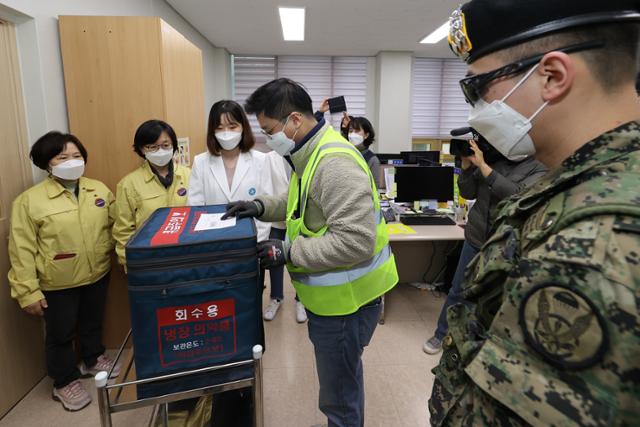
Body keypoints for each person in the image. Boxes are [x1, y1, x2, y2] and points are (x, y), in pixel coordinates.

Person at [429, 1, 640, 425]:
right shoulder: (578, 184)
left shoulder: (595, 241)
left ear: (552, 77)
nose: (475, 110)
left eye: (477, 88)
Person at [223, 78, 399, 427]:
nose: (269, 139)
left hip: (348, 304)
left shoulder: (333, 162)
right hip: (334, 302)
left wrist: (287, 252)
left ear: (294, 121)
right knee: (344, 379)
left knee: (339, 397)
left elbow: (355, 241)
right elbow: (298, 206)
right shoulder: (308, 154)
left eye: (270, 130)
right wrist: (259, 206)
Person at [7, 131, 120, 412]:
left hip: (97, 272)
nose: (72, 161)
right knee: (60, 333)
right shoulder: (29, 201)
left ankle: (93, 358)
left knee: (93, 321)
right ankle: (64, 380)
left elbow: (116, 224)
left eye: (77, 156)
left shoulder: (98, 189)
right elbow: (21, 249)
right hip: (57, 281)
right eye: (63, 157)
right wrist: (27, 290)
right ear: (47, 163)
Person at [423, 132, 547, 354]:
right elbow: (468, 192)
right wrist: (467, 165)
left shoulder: (538, 170)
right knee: (457, 289)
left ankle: (476, 341)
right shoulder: (491, 160)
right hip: (476, 237)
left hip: (505, 244)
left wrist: (484, 167)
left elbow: (517, 196)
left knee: (493, 296)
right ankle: (441, 334)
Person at [188, 100, 271, 242]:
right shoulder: (200, 162)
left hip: (250, 240)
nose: (226, 133)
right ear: (212, 131)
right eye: (219, 128)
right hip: (213, 242)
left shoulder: (261, 160)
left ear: (243, 127)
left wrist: (256, 244)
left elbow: (266, 208)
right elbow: (194, 209)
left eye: (233, 127)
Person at [113, 120, 190, 266]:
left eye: (165, 145)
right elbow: (123, 232)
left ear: (174, 146)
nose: (160, 151)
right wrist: (133, 264)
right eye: (152, 147)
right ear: (142, 149)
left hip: (185, 256)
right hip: (148, 260)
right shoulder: (128, 184)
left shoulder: (190, 175)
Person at [262, 150, 307, 323]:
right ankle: (276, 298)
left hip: (299, 219)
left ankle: (301, 299)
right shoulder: (269, 157)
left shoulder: (304, 154)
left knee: (300, 259)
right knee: (275, 259)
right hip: (277, 219)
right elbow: (266, 187)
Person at [348, 116, 381, 188]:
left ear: (366, 135)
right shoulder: (346, 154)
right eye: (350, 131)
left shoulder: (372, 160)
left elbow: (374, 187)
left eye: (357, 131)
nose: (352, 134)